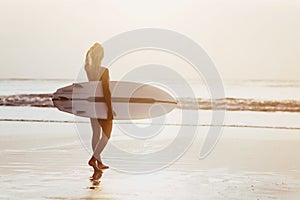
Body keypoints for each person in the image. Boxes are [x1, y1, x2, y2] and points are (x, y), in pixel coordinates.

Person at [84, 43, 113, 172]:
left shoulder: (88, 68)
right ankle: (93, 159)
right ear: (101, 56)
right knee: (107, 135)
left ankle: (98, 162)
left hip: (91, 104)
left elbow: (86, 59)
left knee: (96, 133)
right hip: (102, 105)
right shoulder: (104, 70)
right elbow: (106, 91)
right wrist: (110, 108)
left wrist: (89, 52)